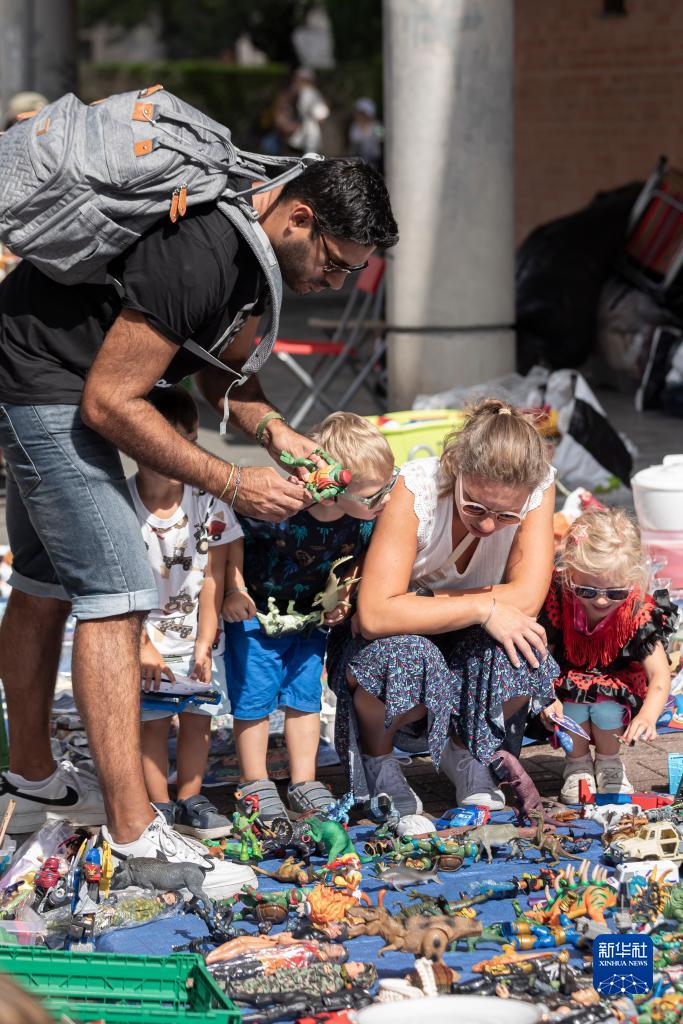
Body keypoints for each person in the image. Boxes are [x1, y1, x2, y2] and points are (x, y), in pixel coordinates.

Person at [0, 153, 398, 882]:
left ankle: (30, 780)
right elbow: (111, 403)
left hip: (56, 366)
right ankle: (134, 833)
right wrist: (231, 482)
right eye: (336, 263)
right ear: (299, 218)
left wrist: (275, 431)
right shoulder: (206, 253)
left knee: (43, 578)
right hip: (43, 374)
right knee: (119, 590)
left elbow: (215, 364)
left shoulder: (252, 254)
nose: (336, 283)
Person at [326, 400, 558, 815]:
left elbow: (526, 600)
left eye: (507, 516)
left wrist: (421, 601)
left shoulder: (539, 485)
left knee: (523, 647)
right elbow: (375, 616)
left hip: (457, 636)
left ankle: (466, 751)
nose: (487, 525)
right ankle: (379, 761)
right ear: (456, 468)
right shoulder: (417, 488)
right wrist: (485, 609)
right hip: (394, 643)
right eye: (474, 507)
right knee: (408, 655)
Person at [223, 413, 397, 821]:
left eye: (387, 488)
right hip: (256, 614)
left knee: (305, 698)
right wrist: (234, 588)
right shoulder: (278, 507)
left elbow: (357, 559)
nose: (385, 502)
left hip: (310, 619)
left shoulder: (362, 521)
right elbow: (229, 537)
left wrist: (346, 594)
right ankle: (254, 782)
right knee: (254, 699)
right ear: (331, 492)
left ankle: (304, 780)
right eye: (373, 496)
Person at [130, 386, 239, 840]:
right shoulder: (121, 505)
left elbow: (213, 575)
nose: (176, 456)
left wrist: (205, 642)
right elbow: (117, 588)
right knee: (151, 727)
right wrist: (142, 645)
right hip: (145, 639)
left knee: (199, 722)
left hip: (196, 636)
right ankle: (159, 807)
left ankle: (190, 799)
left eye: (186, 443)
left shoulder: (208, 500)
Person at [538, 507, 676, 803]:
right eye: (587, 591)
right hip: (567, 686)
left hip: (620, 691)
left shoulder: (637, 612)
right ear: (569, 574)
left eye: (615, 593)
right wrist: (546, 698)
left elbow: (659, 674)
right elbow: (542, 658)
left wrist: (648, 717)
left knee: (605, 706)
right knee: (574, 702)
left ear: (632, 581)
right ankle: (577, 765)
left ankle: (609, 762)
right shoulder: (559, 600)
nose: (601, 600)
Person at [347, 98, 384, 170]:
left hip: (375, 162)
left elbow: (382, 140)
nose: (358, 116)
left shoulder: (377, 126)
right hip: (359, 162)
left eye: (361, 113)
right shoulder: (354, 126)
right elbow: (353, 144)